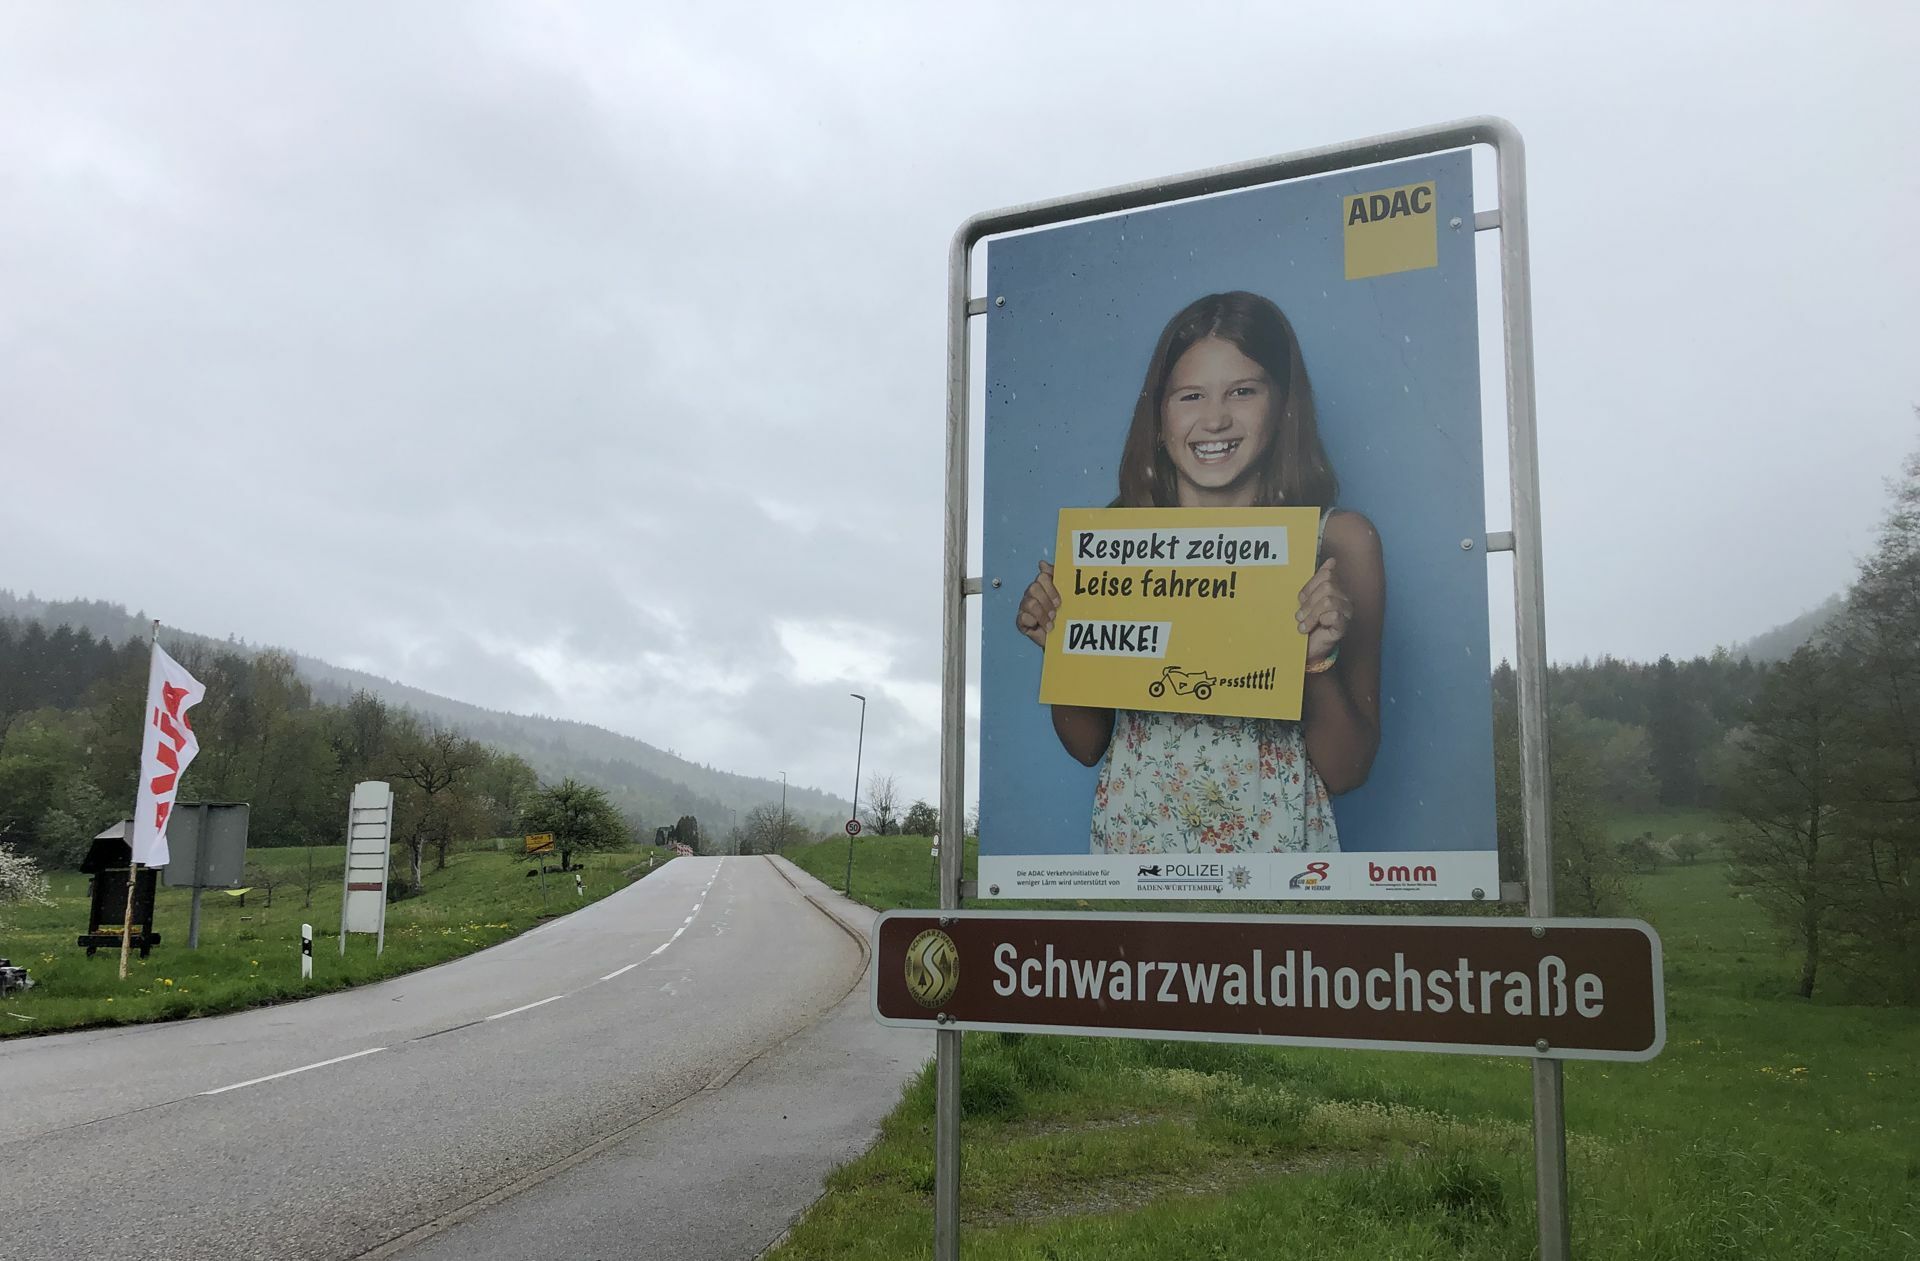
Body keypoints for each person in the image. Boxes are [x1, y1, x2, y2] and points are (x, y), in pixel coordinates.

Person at [1014, 291, 1384, 855]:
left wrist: (1313, 663)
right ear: (1159, 415)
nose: (1214, 419)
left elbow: (1348, 770)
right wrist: (1061, 650)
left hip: (1278, 858)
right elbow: (1086, 745)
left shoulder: (1337, 542)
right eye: (1191, 396)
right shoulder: (1115, 543)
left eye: (1243, 391)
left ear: (1283, 404)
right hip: (1135, 852)